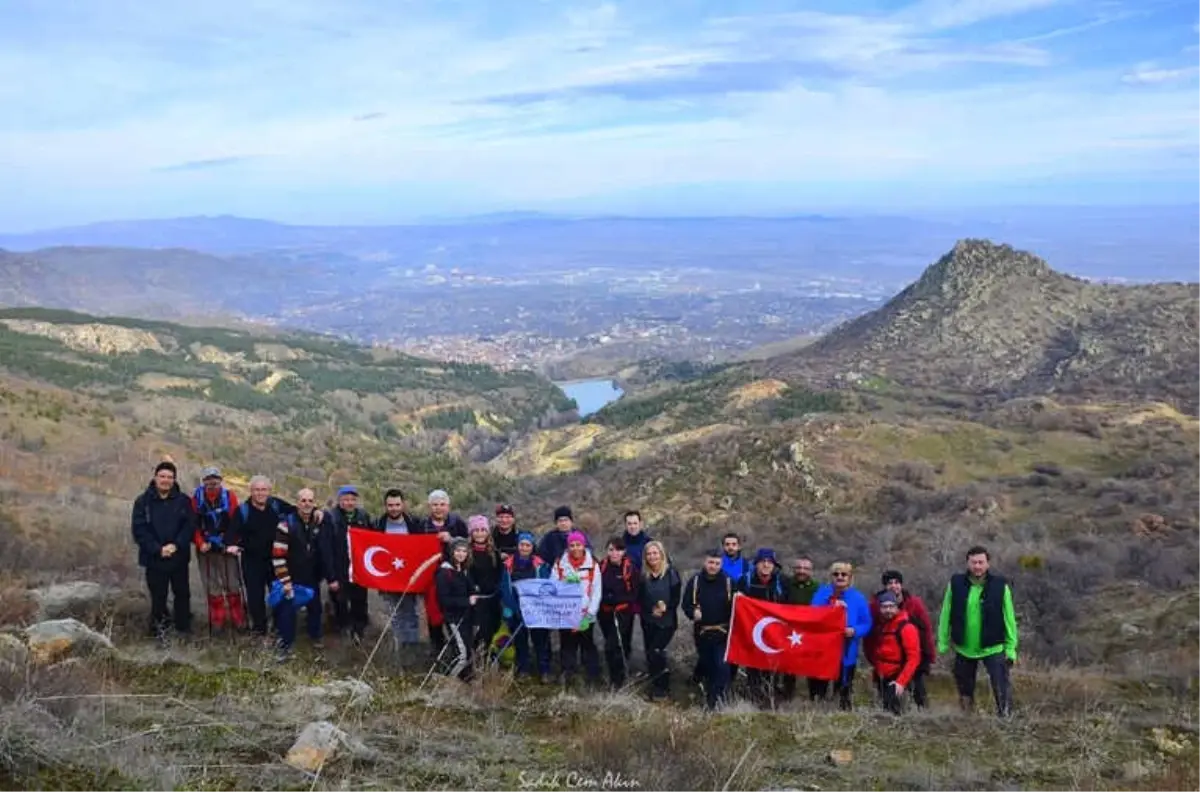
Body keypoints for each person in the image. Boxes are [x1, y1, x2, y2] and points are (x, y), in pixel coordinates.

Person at [937, 546, 1018, 717]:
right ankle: (968, 718)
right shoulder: (955, 583)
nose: (977, 566)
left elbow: (1009, 619)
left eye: (981, 562)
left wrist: (1011, 649)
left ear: (988, 564)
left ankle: (1006, 719)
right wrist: (942, 642)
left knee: (1001, 687)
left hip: (993, 647)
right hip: (964, 647)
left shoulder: (1000, 585)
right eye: (974, 562)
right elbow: (946, 613)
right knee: (965, 690)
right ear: (968, 563)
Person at [227, 475, 299, 642]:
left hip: (276, 560)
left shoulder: (276, 505)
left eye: (264, 490)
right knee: (255, 596)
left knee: (278, 593)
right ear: (251, 491)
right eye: (256, 490)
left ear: (269, 491)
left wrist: (316, 511)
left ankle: (278, 626)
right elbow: (231, 534)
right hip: (251, 561)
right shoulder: (243, 511)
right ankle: (259, 630)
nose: (260, 493)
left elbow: (297, 511)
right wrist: (231, 545)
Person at [131, 459, 195, 640]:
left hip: (179, 558)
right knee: (158, 597)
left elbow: (189, 526)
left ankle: (184, 630)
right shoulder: (143, 501)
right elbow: (139, 530)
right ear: (155, 477)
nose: (166, 480)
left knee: (182, 595)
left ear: (174, 480)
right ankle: (160, 632)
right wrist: (158, 549)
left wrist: (176, 545)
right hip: (154, 559)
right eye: (162, 476)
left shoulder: (184, 501)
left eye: (170, 477)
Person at [271, 488, 328, 660]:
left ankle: (315, 638)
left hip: (311, 574)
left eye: (310, 501)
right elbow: (278, 556)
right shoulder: (285, 524)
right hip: (291, 575)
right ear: (297, 503)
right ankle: (285, 645)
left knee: (315, 608)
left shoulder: (318, 521)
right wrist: (286, 581)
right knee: (287, 611)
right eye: (303, 500)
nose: (307, 504)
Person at [865, 570, 935, 709]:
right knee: (888, 699)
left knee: (918, 693)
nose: (893, 586)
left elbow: (926, 630)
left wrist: (929, 655)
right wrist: (874, 660)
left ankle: (923, 716)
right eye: (889, 583)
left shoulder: (914, 603)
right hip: (888, 659)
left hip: (913, 654)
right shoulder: (874, 606)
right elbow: (870, 636)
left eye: (897, 582)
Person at [810, 561, 872, 710]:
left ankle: (842, 716)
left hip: (847, 651)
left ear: (850, 578)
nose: (840, 577)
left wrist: (854, 630)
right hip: (823, 651)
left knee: (844, 689)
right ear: (831, 577)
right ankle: (817, 713)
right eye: (836, 574)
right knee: (819, 688)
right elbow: (812, 616)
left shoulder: (858, 598)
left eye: (844, 574)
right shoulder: (821, 594)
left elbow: (867, 623)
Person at [191, 466, 246, 634]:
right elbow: (193, 524)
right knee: (212, 586)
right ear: (203, 481)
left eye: (215, 479)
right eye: (208, 479)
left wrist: (229, 543)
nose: (212, 483)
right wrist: (200, 543)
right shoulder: (196, 499)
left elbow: (236, 522)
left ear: (220, 481)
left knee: (233, 585)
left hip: (225, 547)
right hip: (206, 549)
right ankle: (217, 622)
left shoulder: (229, 497)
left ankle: (239, 620)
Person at [682, 548, 734, 710]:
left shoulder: (728, 582)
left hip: (723, 633)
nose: (713, 566)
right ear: (705, 562)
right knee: (708, 665)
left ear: (721, 564)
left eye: (717, 563)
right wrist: (693, 613)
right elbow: (686, 605)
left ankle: (717, 702)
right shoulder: (695, 581)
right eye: (711, 562)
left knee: (722, 666)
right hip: (702, 633)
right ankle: (705, 693)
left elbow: (737, 605)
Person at [373, 488, 423, 652]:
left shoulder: (415, 523)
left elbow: (422, 546)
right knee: (394, 614)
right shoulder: (377, 525)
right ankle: (399, 646)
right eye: (390, 505)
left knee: (411, 612)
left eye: (397, 504)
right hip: (387, 578)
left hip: (410, 577)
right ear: (385, 506)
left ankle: (412, 646)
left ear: (403, 504)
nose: (394, 508)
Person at [322, 485, 373, 645]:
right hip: (339, 569)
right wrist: (331, 577)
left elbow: (372, 540)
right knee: (340, 601)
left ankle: (360, 632)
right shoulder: (330, 517)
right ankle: (342, 631)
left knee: (360, 601)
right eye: (345, 499)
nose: (349, 503)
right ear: (339, 500)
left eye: (352, 499)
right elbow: (326, 549)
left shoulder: (363, 516)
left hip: (359, 569)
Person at [550, 530, 603, 685]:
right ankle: (568, 676)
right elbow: (552, 586)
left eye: (578, 545)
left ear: (583, 545)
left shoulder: (592, 564)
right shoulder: (560, 563)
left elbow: (596, 591)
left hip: (586, 615)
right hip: (566, 614)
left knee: (587, 645)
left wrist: (589, 614)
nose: (575, 548)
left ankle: (592, 677)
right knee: (567, 646)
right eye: (571, 545)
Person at [737, 548, 787, 706]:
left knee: (773, 667)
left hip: (775, 631)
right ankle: (754, 698)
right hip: (752, 630)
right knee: (752, 666)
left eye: (769, 562)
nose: (766, 565)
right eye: (762, 562)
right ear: (756, 564)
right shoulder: (745, 580)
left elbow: (790, 606)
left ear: (774, 565)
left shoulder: (782, 581)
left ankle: (771, 700)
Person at [498, 532, 552, 679]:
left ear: (532, 546)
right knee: (520, 642)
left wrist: (538, 607)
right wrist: (514, 609)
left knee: (541, 642)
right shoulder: (508, 565)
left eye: (528, 545)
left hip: (536, 611)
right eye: (522, 544)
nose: (524, 547)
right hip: (516, 610)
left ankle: (544, 671)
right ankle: (523, 670)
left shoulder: (540, 565)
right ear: (517, 546)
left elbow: (546, 586)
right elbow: (505, 588)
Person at [638, 540, 681, 700]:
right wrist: (650, 610)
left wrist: (666, 607)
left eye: (655, 553)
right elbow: (640, 599)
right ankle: (654, 684)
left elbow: (676, 597)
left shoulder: (671, 573)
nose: (652, 556)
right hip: (648, 621)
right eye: (649, 554)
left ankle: (663, 688)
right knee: (650, 654)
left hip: (667, 622)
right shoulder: (643, 576)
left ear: (661, 554)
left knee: (657, 651)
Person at [597, 536, 639, 688]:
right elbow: (596, 590)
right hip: (604, 613)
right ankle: (615, 674)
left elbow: (634, 593)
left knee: (614, 646)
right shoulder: (601, 567)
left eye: (618, 550)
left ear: (624, 551)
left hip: (623, 612)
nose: (614, 553)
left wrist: (615, 598)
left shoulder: (630, 568)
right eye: (611, 549)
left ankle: (618, 680)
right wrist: (607, 598)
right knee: (612, 645)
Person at [870, 592, 921, 714]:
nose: (888, 610)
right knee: (884, 713)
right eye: (884, 607)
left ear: (897, 607)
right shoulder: (882, 627)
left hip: (897, 678)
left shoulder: (906, 628)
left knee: (894, 715)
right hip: (882, 677)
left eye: (891, 606)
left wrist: (900, 682)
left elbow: (914, 658)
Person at [435, 538, 476, 681]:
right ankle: (447, 682)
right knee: (462, 654)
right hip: (454, 618)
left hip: (466, 618)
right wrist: (467, 601)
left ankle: (464, 681)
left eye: (464, 551)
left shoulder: (464, 570)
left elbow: (469, 589)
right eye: (458, 550)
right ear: (452, 552)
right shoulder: (444, 573)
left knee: (467, 651)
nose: (461, 554)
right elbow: (444, 600)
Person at [780, 555, 818, 701]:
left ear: (811, 571)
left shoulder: (818, 588)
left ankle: (815, 699)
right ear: (794, 569)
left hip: (810, 634)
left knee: (812, 667)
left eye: (806, 568)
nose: (802, 571)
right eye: (799, 568)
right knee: (788, 669)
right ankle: (787, 699)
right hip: (789, 632)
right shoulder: (786, 585)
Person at [467, 514, 503, 657]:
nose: (480, 533)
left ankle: (489, 662)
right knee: (479, 633)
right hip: (476, 600)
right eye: (476, 530)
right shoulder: (466, 553)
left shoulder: (494, 552)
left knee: (492, 630)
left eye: (483, 530)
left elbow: (500, 573)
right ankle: (475, 662)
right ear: (471, 533)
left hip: (493, 599)